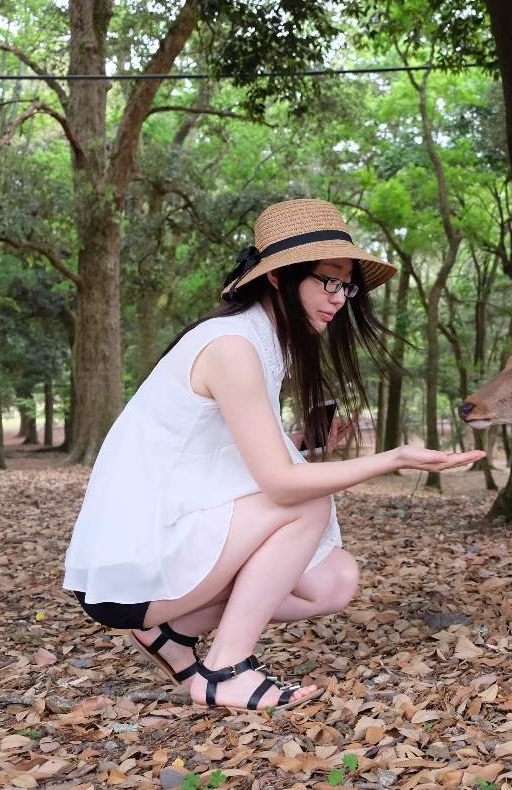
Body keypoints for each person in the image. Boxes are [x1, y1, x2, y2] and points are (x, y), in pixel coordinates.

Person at [63, 199, 485, 712]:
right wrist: (393, 458)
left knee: (334, 581)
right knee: (307, 502)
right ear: (281, 277)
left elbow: (208, 450)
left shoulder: (266, 344)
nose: (338, 299)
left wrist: (304, 446)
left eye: (346, 286)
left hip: (166, 548)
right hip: (131, 566)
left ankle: (172, 633)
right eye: (327, 281)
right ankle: (225, 671)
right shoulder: (232, 346)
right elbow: (282, 487)